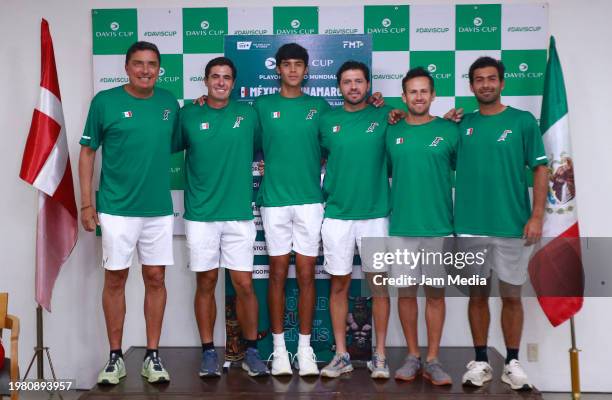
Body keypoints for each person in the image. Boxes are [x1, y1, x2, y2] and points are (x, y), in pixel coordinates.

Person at [79, 41, 178, 385]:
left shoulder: (169, 103)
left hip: (158, 210)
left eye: (152, 64)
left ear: (159, 68)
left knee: (156, 278)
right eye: (138, 64)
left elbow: (184, 137)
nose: (145, 70)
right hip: (116, 209)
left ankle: (152, 356)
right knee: (115, 279)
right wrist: (87, 204)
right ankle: (115, 357)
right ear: (126, 67)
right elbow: (87, 153)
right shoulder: (104, 102)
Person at [455, 57, 548, 391]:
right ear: (471, 86)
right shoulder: (462, 124)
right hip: (470, 225)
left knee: (511, 295)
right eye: (478, 80)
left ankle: (511, 362)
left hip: (512, 225)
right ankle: (480, 361)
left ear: (502, 83)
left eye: (491, 79)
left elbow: (540, 169)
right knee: (477, 295)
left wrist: (536, 215)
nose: (485, 85)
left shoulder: (523, 122)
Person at [173, 57, 269, 377]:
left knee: (244, 284)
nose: (221, 82)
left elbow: (259, 148)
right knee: (207, 282)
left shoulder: (248, 114)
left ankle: (251, 351)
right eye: (215, 76)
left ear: (234, 82)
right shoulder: (188, 114)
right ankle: (208, 352)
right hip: (200, 215)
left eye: (227, 77)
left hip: (239, 214)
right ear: (205, 80)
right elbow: (168, 145)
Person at [254, 43, 330, 376]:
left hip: (310, 201)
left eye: (299, 64)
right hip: (274, 201)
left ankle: (304, 348)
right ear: (278, 70)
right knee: (277, 274)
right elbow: (237, 132)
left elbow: (343, 138)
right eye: (287, 65)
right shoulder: (262, 105)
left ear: (307, 69)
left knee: (306, 275)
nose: (294, 70)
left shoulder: (320, 106)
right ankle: (280, 350)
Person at [316, 61, 391, 379]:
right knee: (339, 284)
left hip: (375, 215)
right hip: (337, 216)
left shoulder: (385, 116)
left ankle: (381, 356)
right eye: (347, 82)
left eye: (359, 81)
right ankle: (342, 354)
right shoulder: (327, 120)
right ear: (339, 87)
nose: (353, 87)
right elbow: (309, 157)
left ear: (368, 85)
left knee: (379, 287)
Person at [384, 67, 457, 386]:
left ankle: (433, 359)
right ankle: (413, 356)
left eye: (423, 91)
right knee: (406, 294)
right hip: (401, 226)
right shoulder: (391, 130)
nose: (418, 96)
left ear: (433, 95)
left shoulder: (451, 130)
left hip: (439, 227)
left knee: (436, 295)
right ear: (403, 96)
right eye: (412, 92)